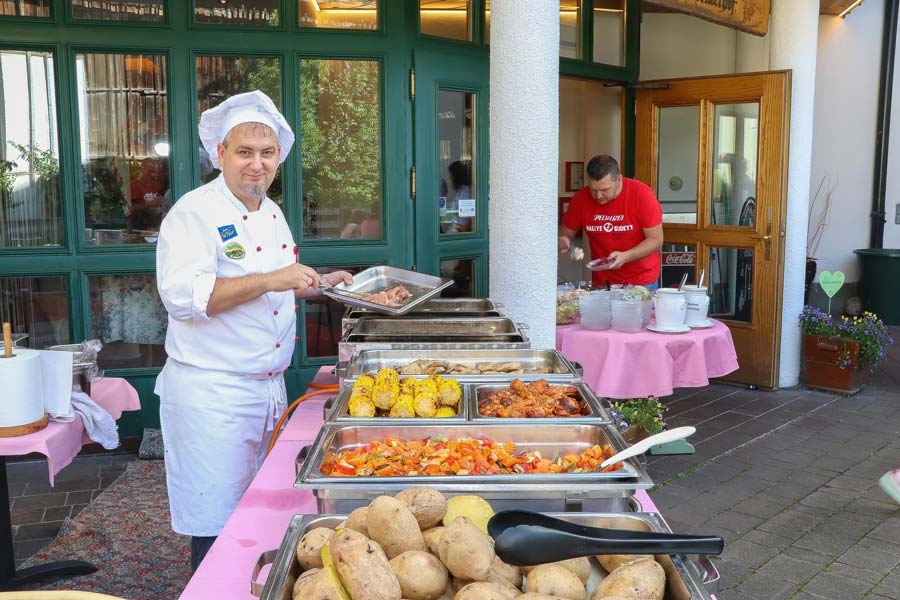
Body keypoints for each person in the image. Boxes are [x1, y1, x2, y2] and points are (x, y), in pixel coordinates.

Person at [154, 90, 352, 571]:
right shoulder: (193, 212)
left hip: (267, 388)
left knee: (258, 513)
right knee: (216, 519)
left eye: (267, 154)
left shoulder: (271, 211)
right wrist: (275, 278)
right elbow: (184, 299)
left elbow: (275, 287)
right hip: (213, 394)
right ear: (220, 154)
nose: (256, 165)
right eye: (244, 152)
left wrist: (321, 284)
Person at [558, 154, 663, 290]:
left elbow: (656, 239)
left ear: (619, 179)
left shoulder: (641, 194)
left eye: (605, 190)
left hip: (641, 281)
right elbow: (565, 233)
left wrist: (626, 256)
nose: (598, 196)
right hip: (603, 282)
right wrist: (563, 241)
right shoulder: (580, 199)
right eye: (593, 190)